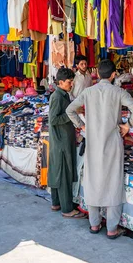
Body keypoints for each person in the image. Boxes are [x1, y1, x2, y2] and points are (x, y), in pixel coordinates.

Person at [66, 60, 133, 239]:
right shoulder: (118, 92)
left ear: (97, 74)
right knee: (113, 182)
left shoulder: (88, 92)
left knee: (93, 180)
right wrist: (127, 126)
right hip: (112, 142)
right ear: (114, 74)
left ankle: (94, 224)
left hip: (93, 141)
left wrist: (81, 126)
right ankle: (112, 228)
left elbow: (70, 110)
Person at [48, 68, 86, 219]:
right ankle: (67, 208)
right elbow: (54, 119)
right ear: (61, 82)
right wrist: (71, 115)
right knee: (63, 174)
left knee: (58, 171)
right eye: (70, 82)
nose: (71, 84)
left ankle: (56, 203)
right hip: (61, 140)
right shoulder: (57, 96)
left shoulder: (62, 95)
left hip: (62, 139)